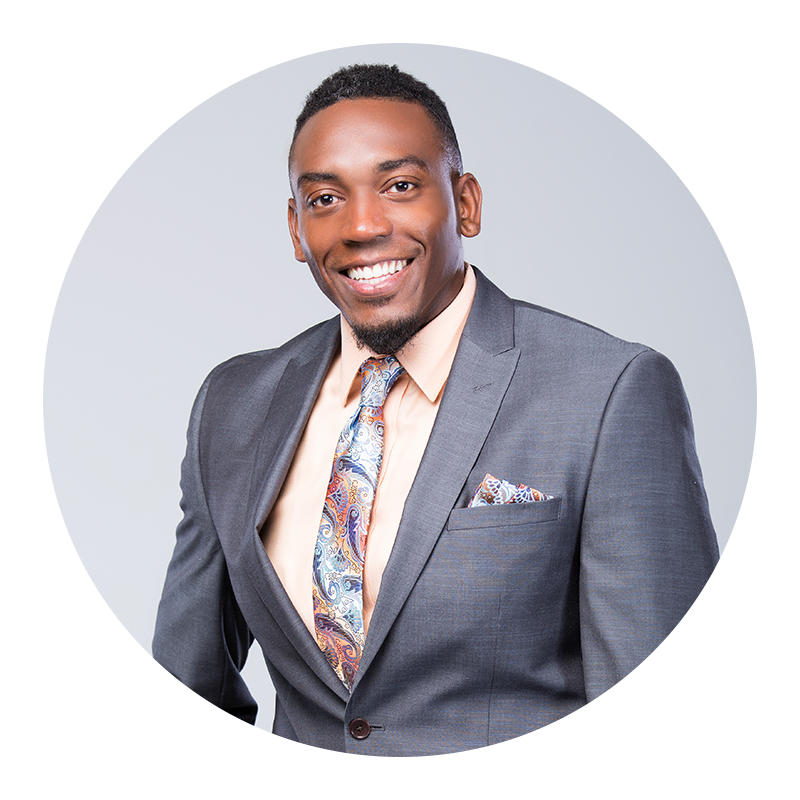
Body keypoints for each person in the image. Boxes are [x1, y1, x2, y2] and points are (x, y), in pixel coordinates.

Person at [131, 64, 726, 757]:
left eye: (400, 186)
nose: (360, 225)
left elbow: (660, 733)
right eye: (324, 198)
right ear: (296, 230)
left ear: (465, 203)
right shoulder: (234, 407)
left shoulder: (608, 393)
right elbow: (183, 700)